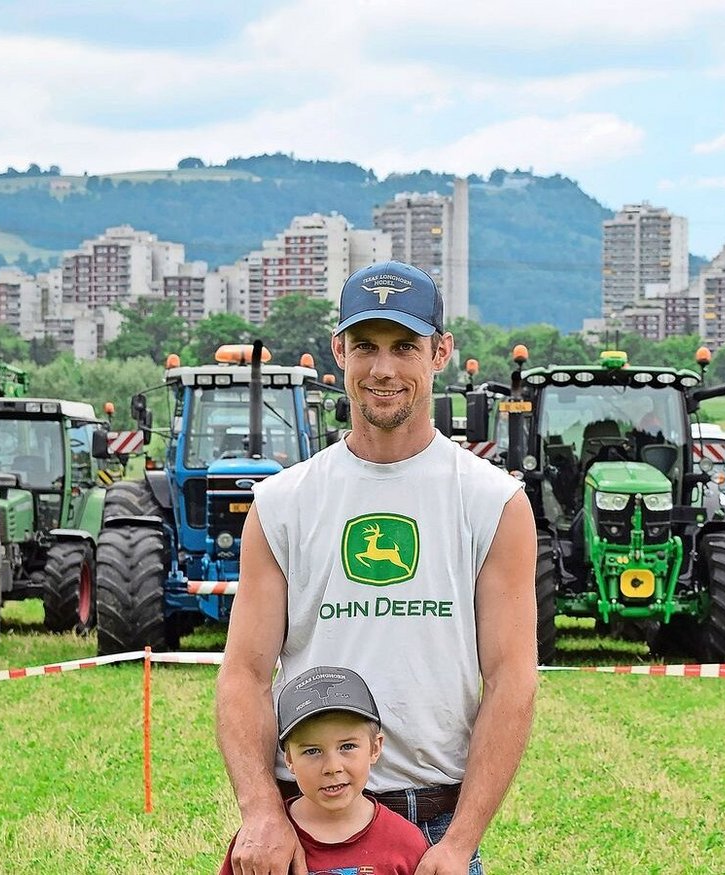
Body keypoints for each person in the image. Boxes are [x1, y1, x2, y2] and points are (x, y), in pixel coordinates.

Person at [216, 260, 538, 875]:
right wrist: (260, 810)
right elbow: (246, 674)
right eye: (365, 346)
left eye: (405, 347)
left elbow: (511, 680)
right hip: (307, 817)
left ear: (440, 352)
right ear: (339, 350)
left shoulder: (492, 502)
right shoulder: (283, 503)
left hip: (435, 820)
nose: (383, 369)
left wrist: (460, 842)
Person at [218, 666, 429, 875]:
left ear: (375, 748)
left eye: (347, 746)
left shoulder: (405, 843)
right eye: (312, 751)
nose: (332, 768)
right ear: (289, 759)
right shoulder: (264, 844)